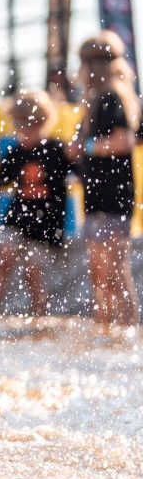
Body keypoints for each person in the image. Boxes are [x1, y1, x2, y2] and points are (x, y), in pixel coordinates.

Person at [0, 90, 71, 316]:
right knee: (4, 258)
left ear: (43, 122)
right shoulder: (15, 153)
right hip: (18, 217)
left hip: (47, 222)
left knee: (31, 270)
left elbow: (83, 176)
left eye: (28, 125)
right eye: (18, 124)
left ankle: (39, 314)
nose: (22, 130)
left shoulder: (58, 151)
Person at [67, 31, 140, 326]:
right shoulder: (105, 98)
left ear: (91, 65)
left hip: (112, 197)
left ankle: (123, 332)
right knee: (101, 273)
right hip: (103, 196)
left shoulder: (111, 97)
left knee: (112, 272)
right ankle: (107, 332)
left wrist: (84, 147)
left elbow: (123, 141)